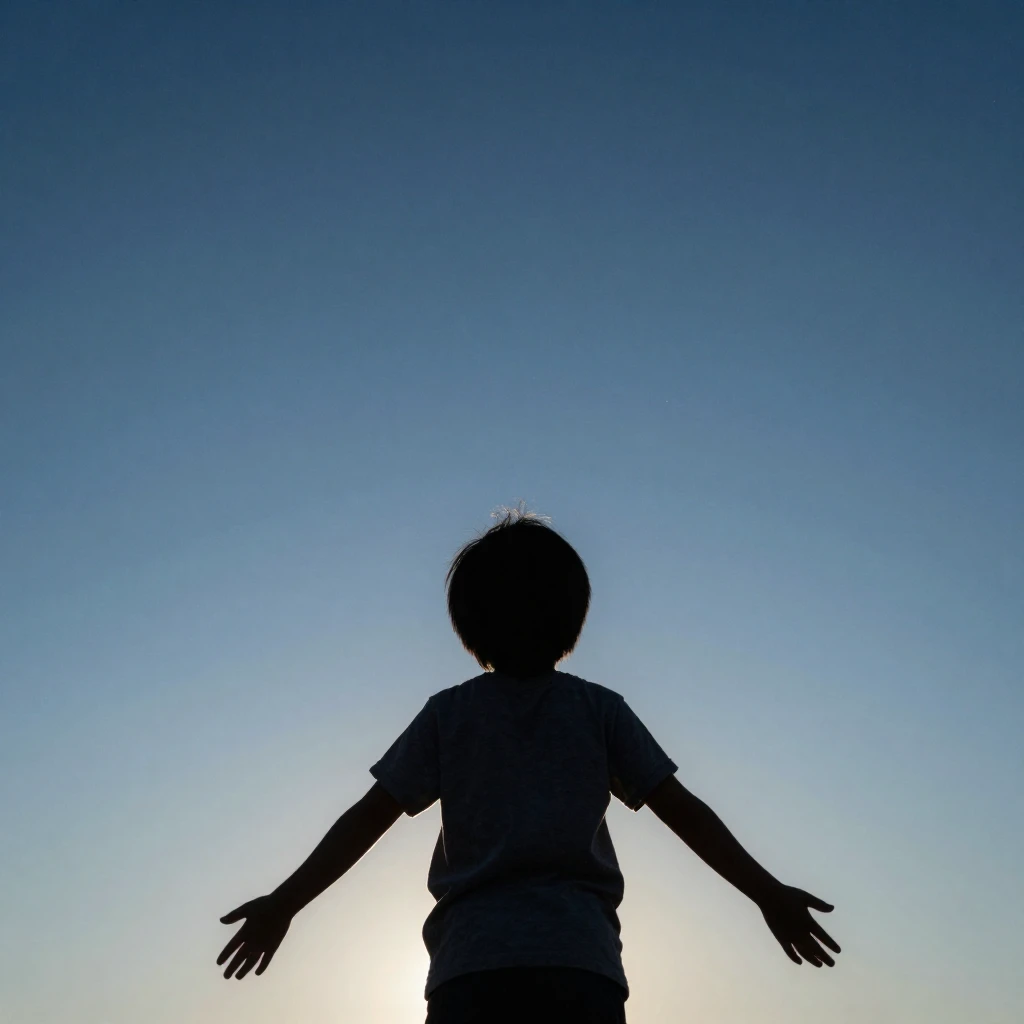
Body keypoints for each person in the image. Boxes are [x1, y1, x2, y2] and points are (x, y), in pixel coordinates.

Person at [217, 504, 840, 1022]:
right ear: (571, 614)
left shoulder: (451, 713)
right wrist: (767, 892)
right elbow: (684, 811)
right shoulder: (596, 710)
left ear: (469, 622)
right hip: (579, 967)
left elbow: (367, 818)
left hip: (472, 970)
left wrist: (285, 902)